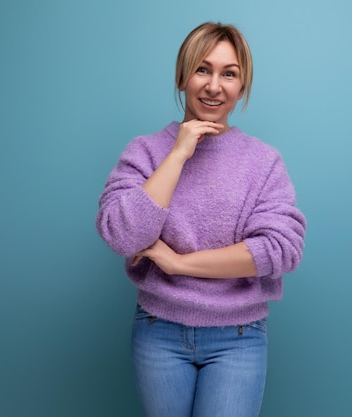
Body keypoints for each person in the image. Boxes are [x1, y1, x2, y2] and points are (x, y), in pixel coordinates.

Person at [95, 21, 306, 417]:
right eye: (202, 69)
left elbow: (281, 249)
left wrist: (178, 263)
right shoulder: (145, 152)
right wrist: (177, 155)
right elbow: (123, 235)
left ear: (242, 87)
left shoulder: (262, 162)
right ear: (182, 78)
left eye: (229, 74)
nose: (214, 85)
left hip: (238, 337)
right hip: (158, 331)